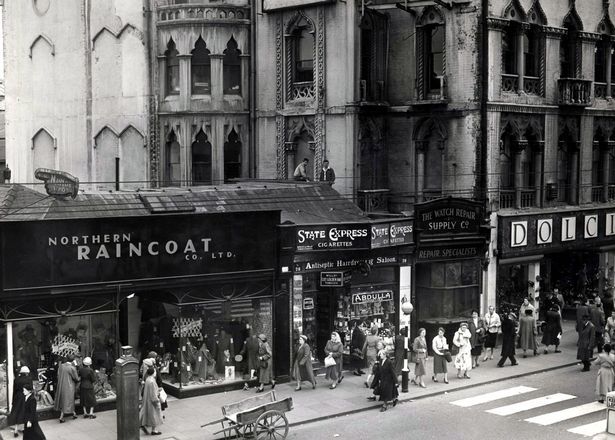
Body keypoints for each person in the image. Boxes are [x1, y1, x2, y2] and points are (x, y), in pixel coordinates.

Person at [54, 354, 79, 423]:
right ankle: (61, 417)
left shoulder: (61, 366)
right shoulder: (72, 368)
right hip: (69, 386)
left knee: (65, 400)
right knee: (68, 401)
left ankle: (74, 413)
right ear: (73, 360)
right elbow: (76, 378)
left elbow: (58, 374)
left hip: (61, 385)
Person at [139, 367, 163, 436]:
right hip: (152, 401)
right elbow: (153, 394)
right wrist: (157, 401)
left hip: (147, 400)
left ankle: (144, 425)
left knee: (149, 415)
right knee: (154, 415)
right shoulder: (152, 381)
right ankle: (154, 430)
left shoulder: (148, 379)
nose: (156, 373)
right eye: (155, 371)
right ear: (153, 373)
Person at [8, 366, 31, 437]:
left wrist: (12, 401)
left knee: (18, 413)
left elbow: (14, 391)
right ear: (26, 373)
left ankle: (15, 430)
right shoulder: (29, 379)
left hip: (17, 397)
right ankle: (25, 429)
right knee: (25, 413)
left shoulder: (16, 379)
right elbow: (30, 389)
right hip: (25, 397)